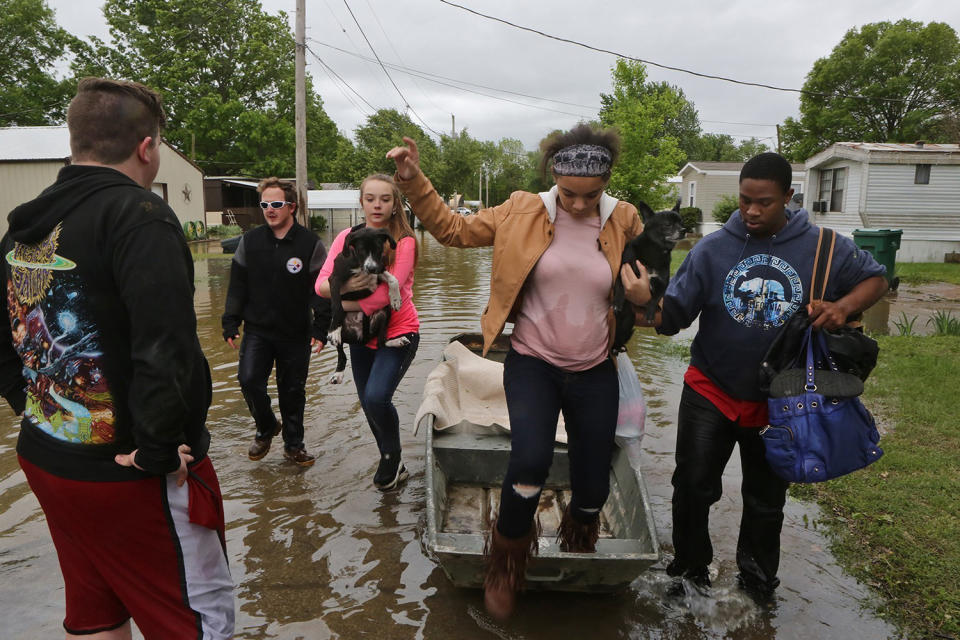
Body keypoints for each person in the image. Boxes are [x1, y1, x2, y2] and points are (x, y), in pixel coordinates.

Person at [386, 125, 652, 619]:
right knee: (530, 461)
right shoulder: (521, 209)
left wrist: (644, 300)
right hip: (532, 362)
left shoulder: (626, 220)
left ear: (607, 181)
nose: (576, 205)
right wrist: (413, 179)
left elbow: (656, 299)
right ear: (553, 176)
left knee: (593, 485)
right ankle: (506, 563)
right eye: (568, 193)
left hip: (595, 368)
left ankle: (580, 537)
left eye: (589, 195)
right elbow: (452, 230)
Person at [0, 77, 234, 639]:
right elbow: (166, 349)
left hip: (47, 458)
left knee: (97, 614)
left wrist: (35, 412)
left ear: (75, 142)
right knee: (201, 623)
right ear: (147, 148)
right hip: (130, 476)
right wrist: (155, 453)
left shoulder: (21, 228)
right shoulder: (140, 216)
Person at [635, 152, 888, 600]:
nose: (751, 211)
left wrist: (842, 307)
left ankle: (755, 584)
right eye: (745, 200)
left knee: (765, 501)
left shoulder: (826, 247)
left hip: (781, 399)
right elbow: (671, 315)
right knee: (692, 488)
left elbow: (875, 279)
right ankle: (690, 572)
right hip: (710, 389)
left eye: (764, 202)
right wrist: (639, 304)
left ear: (788, 197)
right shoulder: (712, 249)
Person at [314, 173, 420, 491]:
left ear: (394, 203)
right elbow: (320, 284)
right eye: (370, 198)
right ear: (361, 202)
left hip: (398, 330)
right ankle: (394, 462)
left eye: (385, 199)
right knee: (367, 402)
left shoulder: (403, 241)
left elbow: (383, 297)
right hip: (360, 336)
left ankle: (391, 455)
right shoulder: (346, 236)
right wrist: (344, 286)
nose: (377, 204)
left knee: (376, 397)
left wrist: (339, 302)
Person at [222, 177, 331, 467]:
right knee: (248, 381)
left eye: (276, 204)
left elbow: (320, 290)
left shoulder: (309, 244)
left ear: (291, 207)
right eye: (265, 204)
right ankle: (266, 426)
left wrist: (321, 328)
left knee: (292, 391)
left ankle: (294, 446)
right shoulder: (250, 241)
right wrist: (230, 320)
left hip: (295, 332)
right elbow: (237, 286)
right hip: (257, 330)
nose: (270, 209)